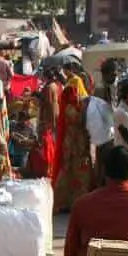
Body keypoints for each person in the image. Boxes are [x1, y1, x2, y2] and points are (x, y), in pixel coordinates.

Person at [53, 76, 94, 211]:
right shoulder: (71, 108)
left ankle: (80, 202)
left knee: (81, 174)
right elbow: (76, 122)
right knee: (73, 173)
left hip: (79, 144)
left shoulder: (79, 106)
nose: (76, 95)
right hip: (74, 144)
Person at [29, 69, 62, 179]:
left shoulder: (49, 87)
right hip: (53, 116)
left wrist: (38, 96)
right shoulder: (55, 86)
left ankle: (46, 167)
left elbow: (48, 103)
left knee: (46, 143)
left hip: (48, 118)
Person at [9, 110, 37, 177]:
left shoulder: (30, 128)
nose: (23, 121)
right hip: (14, 154)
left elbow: (34, 141)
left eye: (25, 119)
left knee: (22, 172)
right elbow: (11, 134)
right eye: (21, 119)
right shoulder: (14, 125)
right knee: (13, 173)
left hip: (24, 154)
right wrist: (14, 137)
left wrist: (25, 141)